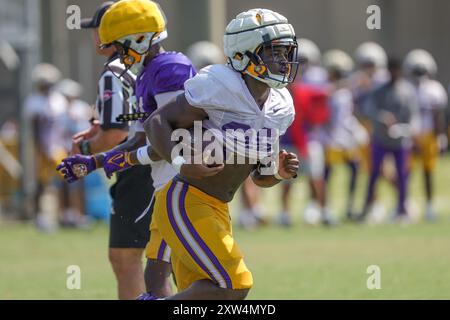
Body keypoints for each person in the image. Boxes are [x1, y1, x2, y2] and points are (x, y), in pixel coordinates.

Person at [141, 8, 300, 299]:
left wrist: (278, 172)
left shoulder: (280, 104)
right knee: (234, 284)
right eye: (273, 52)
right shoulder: (220, 85)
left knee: (204, 294)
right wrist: (181, 161)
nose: (283, 61)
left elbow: (259, 176)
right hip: (186, 199)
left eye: (286, 52)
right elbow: (156, 122)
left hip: (219, 207)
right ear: (243, 54)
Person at [57, 0, 197, 298]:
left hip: (178, 183)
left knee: (205, 279)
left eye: (119, 47)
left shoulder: (169, 68)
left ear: (139, 38)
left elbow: (166, 140)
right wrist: (94, 162)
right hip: (161, 182)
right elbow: (139, 137)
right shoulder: (146, 72)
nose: (116, 56)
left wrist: (102, 156)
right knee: (156, 269)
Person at [67, 1, 154, 299]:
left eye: (100, 28)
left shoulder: (115, 71)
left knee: (125, 259)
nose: (94, 35)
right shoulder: (141, 63)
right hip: (160, 164)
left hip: (139, 169)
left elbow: (116, 132)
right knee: (156, 263)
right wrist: (97, 127)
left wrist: (84, 147)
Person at [358, 57, 420, 224]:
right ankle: (368, 207)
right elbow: (368, 109)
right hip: (380, 139)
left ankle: (402, 210)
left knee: (402, 174)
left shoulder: (407, 91)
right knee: (374, 174)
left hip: (400, 141)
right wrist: (382, 118)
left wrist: (404, 128)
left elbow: (413, 116)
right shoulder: (378, 91)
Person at [321, 49, 368, 221]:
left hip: (346, 139)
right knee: (327, 175)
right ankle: (326, 209)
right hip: (331, 138)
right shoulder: (326, 90)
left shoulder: (346, 91)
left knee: (355, 169)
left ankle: (350, 206)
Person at [404, 49, 448, 221]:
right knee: (406, 172)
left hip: (429, 135)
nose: (419, 75)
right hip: (411, 134)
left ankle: (429, 206)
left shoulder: (435, 89)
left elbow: (438, 115)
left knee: (428, 171)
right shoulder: (406, 88)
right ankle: (404, 204)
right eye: (416, 71)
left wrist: (441, 136)